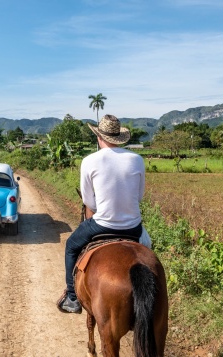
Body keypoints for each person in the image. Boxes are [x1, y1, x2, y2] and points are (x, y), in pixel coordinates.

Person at [57, 114, 146, 314]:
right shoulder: (137, 159)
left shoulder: (89, 161)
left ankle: (72, 298)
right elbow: (139, 197)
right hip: (134, 227)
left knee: (71, 246)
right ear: (119, 138)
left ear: (99, 137)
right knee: (148, 250)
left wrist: (104, 208)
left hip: (102, 224)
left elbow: (88, 201)